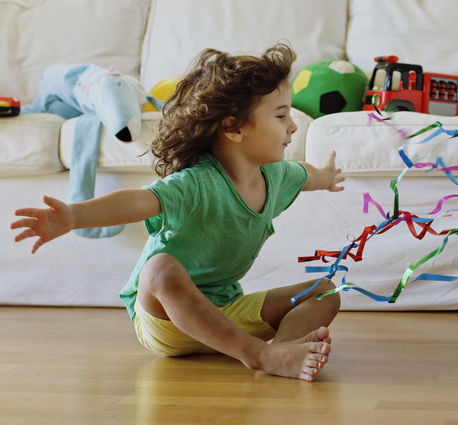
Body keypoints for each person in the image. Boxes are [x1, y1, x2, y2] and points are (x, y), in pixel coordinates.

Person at [10, 43, 345, 382]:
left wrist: (327, 177)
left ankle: (282, 353)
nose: (293, 127)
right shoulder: (196, 183)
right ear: (234, 128)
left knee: (325, 290)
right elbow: (137, 202)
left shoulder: (278, 177)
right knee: (159, 269)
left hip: (226, 313)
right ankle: (258, 354)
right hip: (165, 320)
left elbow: (308, 175)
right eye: (280, 115)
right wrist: (72, 216)